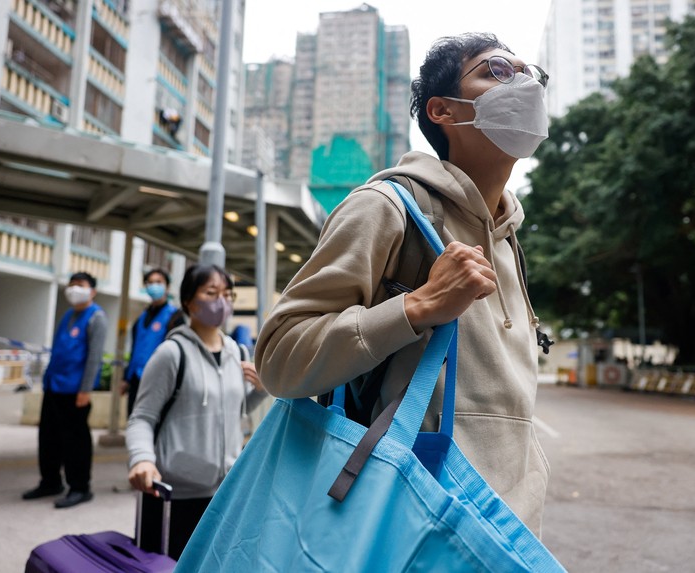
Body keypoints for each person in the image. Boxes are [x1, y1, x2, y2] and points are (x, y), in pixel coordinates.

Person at [255, 33, 552, 535]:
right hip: (411, 525)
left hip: (510, 534)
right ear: (443, 110)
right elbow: (279, 359)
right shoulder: (388, 207)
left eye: (531, 75)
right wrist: (416, 307)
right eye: (497, 70)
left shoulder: (510, 242)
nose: (524, 84)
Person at [126, 264, 267, 560]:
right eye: (212, 293)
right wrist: (142, 460)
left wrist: (260, 390)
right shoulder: (171, 353)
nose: (222, 301)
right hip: (174, 496)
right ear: (189, 301)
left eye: (228, 294)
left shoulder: (237, 353)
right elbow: (142, 417)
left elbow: (236, 410)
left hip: (224, 494)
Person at [23, 271, 108, 509]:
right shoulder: (69, 315)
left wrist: (86, 389)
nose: (73, 289)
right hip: (54, 387)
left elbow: (94, 358)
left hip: (75, 391)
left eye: (79, 285)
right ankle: (50, 481)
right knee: (48, 438)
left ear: (92, 291)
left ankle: (80, 487)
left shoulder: (96, 317)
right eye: (71, 285)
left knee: (75, 442)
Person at [120, 268, 184, 416]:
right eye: (150, 283)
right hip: (137, 380)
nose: (154, 286)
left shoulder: (175, 317)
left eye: (158, 282)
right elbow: (135, 350)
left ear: (167, 287)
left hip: (160, 380)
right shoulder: (141, 317)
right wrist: (126, 378)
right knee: (134, 418)